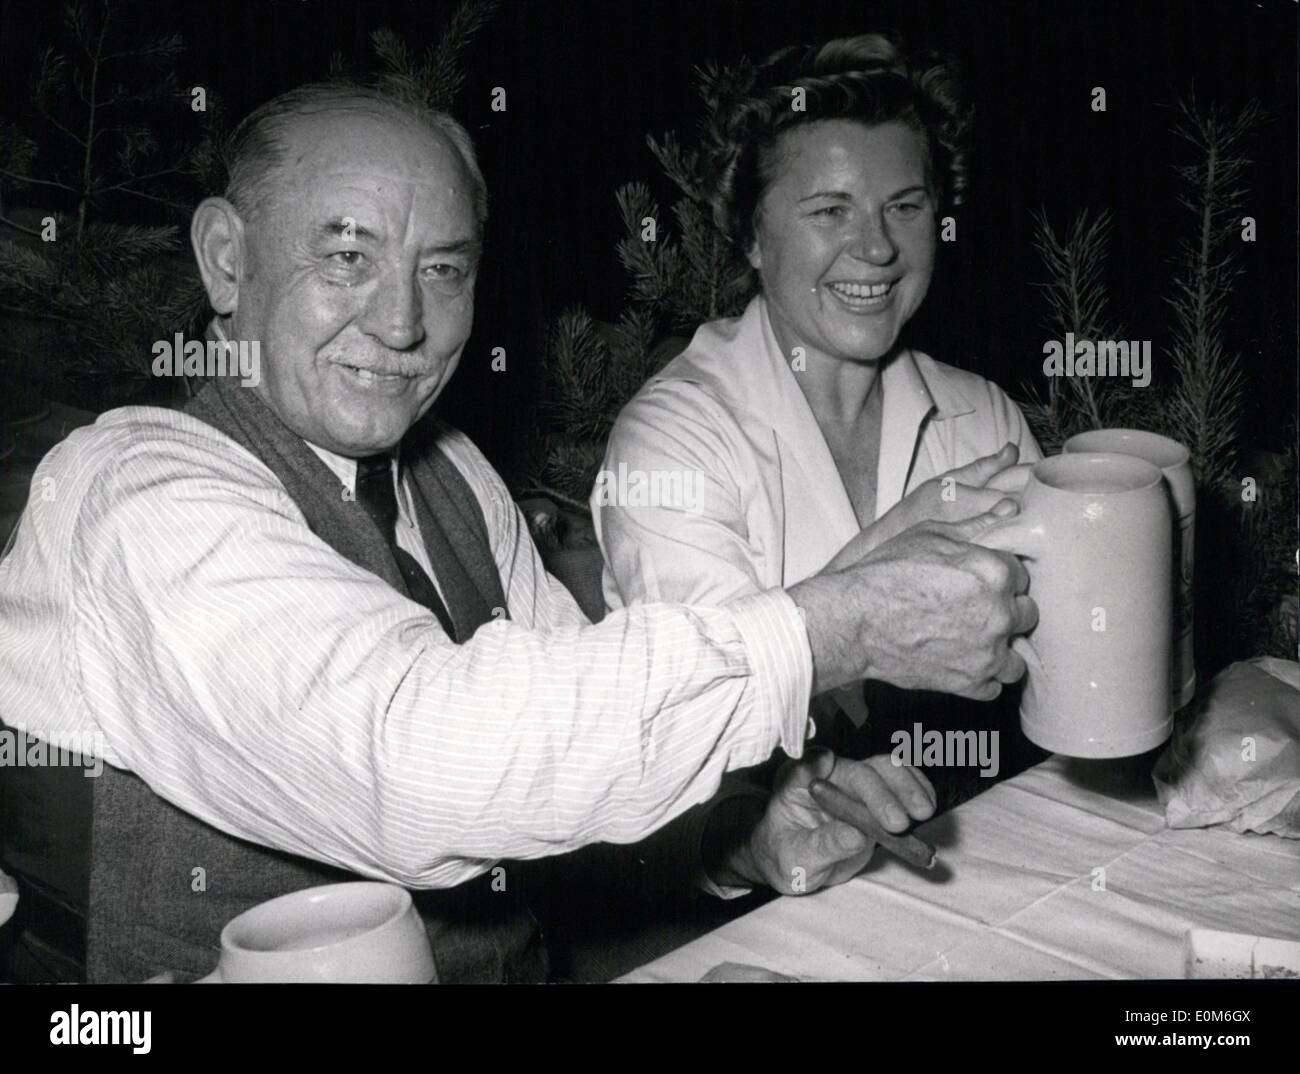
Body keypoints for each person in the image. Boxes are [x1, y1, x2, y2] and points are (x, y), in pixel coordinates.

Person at [0, 80, 1034, 983]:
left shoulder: (447, 471)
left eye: (444, 270)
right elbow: (415, 766)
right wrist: (828, 632)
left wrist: (734, 836)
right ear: (225, 259)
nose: (402, 322)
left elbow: (559, 762)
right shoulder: (135, 491)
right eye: (348, 255)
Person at [595, 34, 1044, 896]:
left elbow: (1068, 675)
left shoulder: (982, 414)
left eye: (905, 207)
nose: (875, 248)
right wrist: (881, 558)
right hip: (776, 911)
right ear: (754, 237)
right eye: (829, 210)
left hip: (988, 862)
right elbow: (698, 724)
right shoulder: (674, 438)